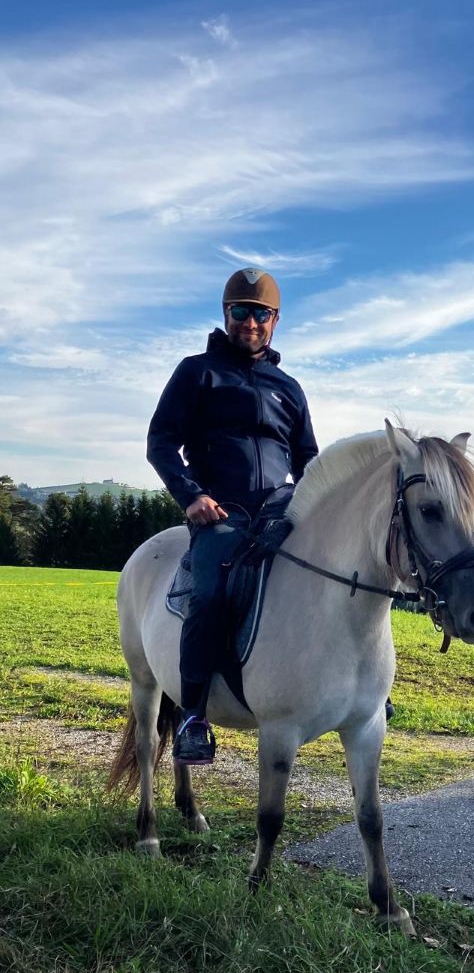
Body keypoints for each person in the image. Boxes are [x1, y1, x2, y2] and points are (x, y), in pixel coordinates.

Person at [147, 268, 319, 764]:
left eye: (259, 313)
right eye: (239, 312)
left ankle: (356, 688)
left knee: (336, 571)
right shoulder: (196, 371)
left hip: (280, 510)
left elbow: (308, 461)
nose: (249, 322)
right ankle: (195, 715)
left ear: (275, 320)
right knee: (209, 593)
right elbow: (160, 443)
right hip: (220, 511)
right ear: (226, 316)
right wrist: (191, 496)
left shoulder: (289, 387)